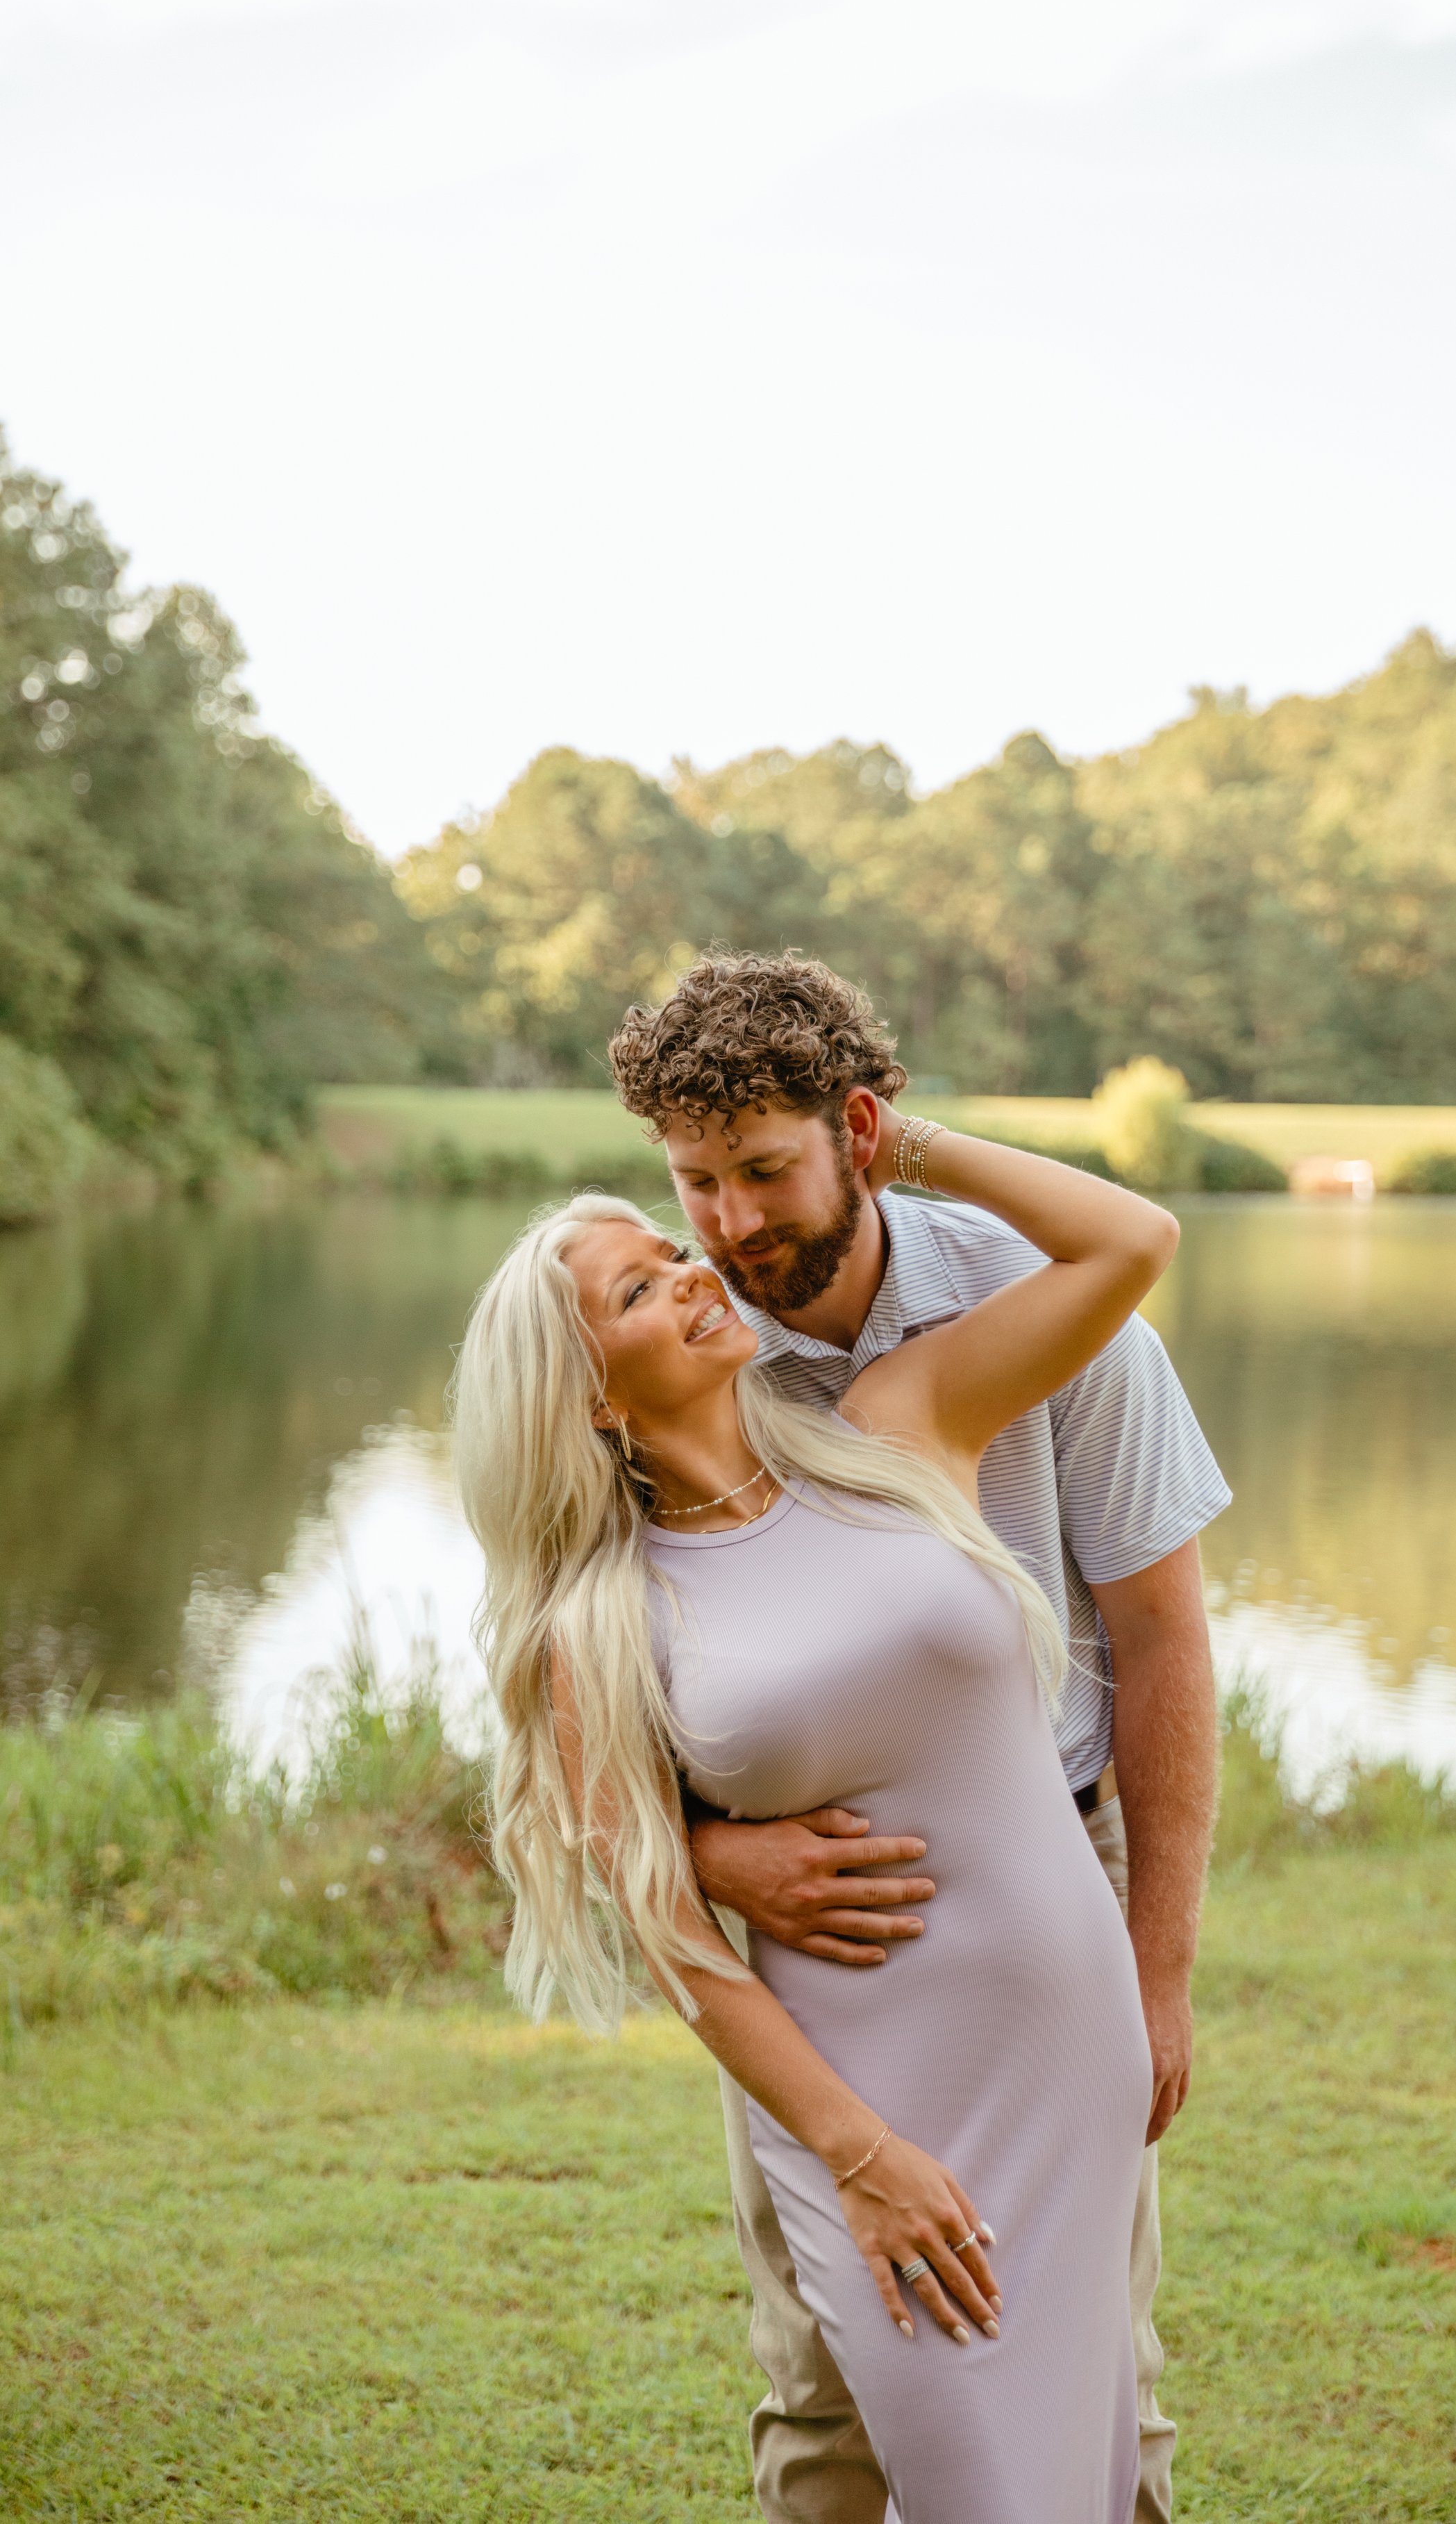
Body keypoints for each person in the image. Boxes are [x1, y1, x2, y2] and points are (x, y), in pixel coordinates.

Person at [453, 1077, 1186, 2524]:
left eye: (670, 1257)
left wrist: (886, 1146)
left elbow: (1127, 1240)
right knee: (950, 2466)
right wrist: (859, 2156)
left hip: (1062, 2045)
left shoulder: (895, 1424)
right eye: (637, 1289)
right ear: (589, 1396)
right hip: (856, 2083)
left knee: (1098, 2456)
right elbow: (664, 1929)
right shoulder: (598, 1625)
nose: (695, 1267)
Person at [608, 954, 1230, 2524]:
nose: (729, 1229)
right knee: (825, 2384)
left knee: (1094, 2365)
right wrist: (705, 1848)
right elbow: (604, 1698)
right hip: (826, 1915)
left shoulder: (1032, 1315)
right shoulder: (659, 1365)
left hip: (1047, 1889)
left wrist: (1154, 1968)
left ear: (860, 1131)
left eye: (763, 1170)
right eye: (694, 1183)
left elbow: (1159, 1646)